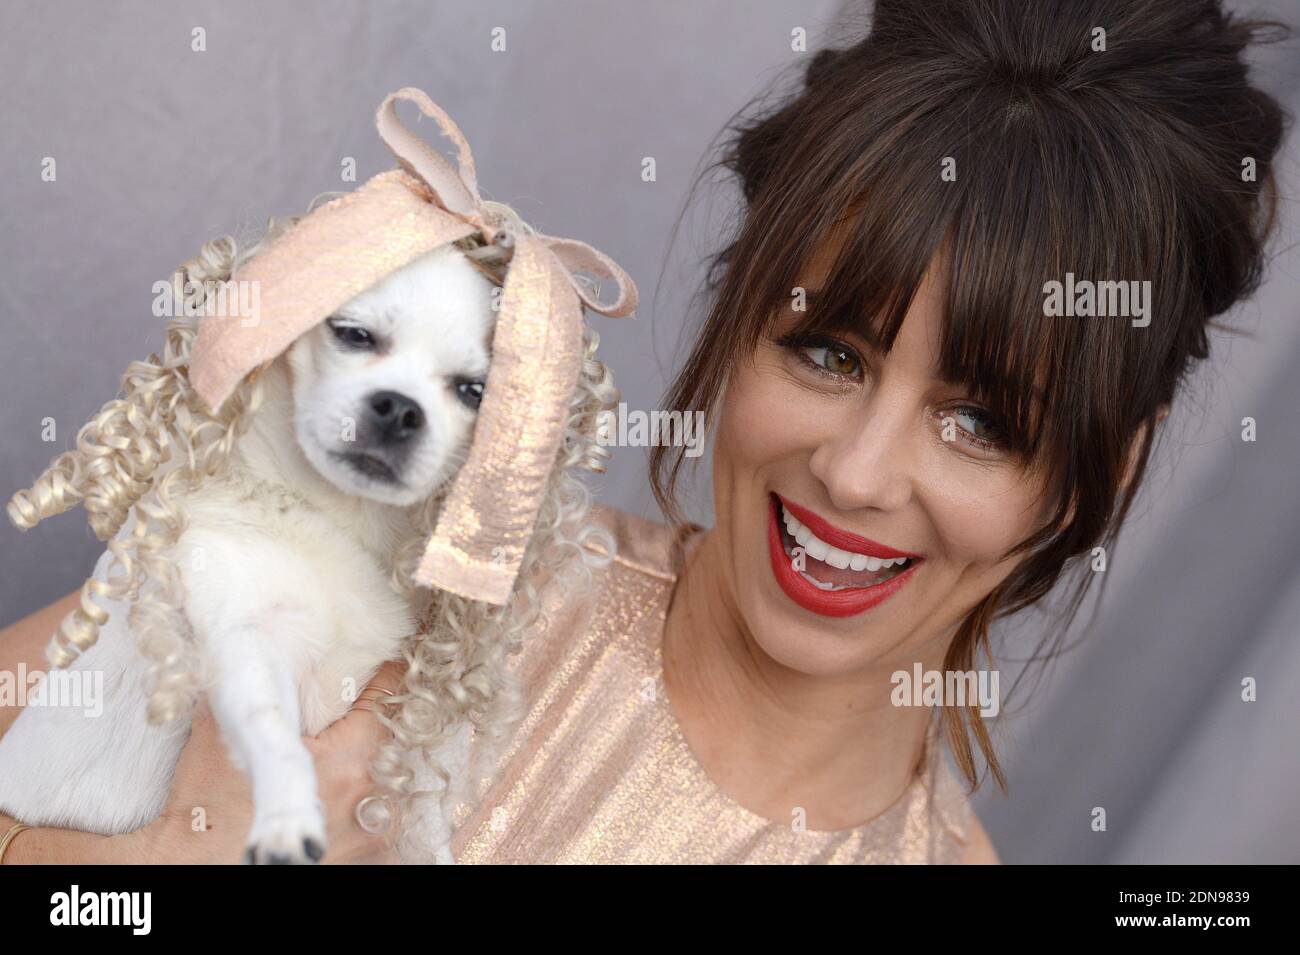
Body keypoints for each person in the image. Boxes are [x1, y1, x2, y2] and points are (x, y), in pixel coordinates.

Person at [1, 0, 1286, 863]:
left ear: (1105, 472)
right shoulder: (407, 585)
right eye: (827, 352)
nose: (854, 469)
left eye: (980, 420)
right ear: (737, 321)